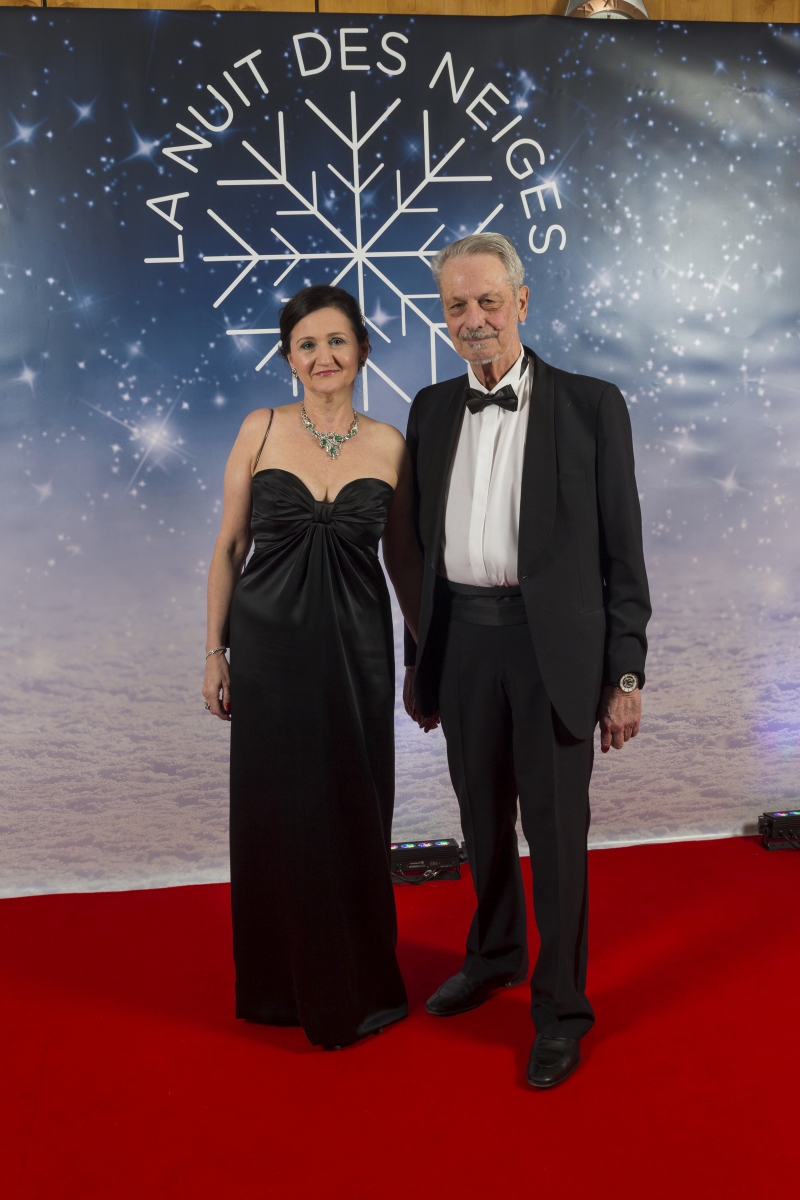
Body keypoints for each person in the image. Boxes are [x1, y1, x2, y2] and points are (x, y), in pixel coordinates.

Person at [403, 233, 651, 1088]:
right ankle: (494, 954)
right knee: (481, 821)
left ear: (522, 300)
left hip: (557, 655)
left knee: (555, 835)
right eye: (456, 306)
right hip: (463, 645)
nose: (473, 319)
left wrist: (625, 674)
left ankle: (562, 1010)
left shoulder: (591, 405)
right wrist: (421, 661)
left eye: (487, 301)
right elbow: (416, 551)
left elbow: (624, 556)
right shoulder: (431, 409)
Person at [203, 285, 423, 1050]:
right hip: (268, 653)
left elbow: (403, 561)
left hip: (359, 652)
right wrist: (215, 651)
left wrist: (424, 657)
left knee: (355, 807)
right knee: (278, 812)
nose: (323, 356)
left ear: (361, 349)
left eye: (336, 341)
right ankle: (280, 989)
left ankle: (358, 986)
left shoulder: (391, 444)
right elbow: (231, 546)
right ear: (289, 358)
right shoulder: (259, 428)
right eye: (307, 344)